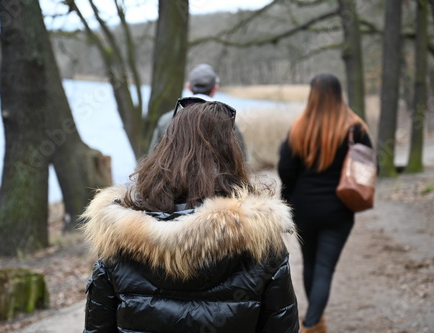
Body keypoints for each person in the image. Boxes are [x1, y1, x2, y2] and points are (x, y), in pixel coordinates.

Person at [81, 98, 299, 332]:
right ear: (231, 154)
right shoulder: (261, 240)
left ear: (166, 149)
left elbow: (97, 328)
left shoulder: (117, 236)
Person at [277, 73, 374, 333]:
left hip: (303, 209)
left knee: (310, 264)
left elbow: (286, 169)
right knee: (324, 268)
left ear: (312, 95)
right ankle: (313, 323)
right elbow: (368, 165)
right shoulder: (356, 128)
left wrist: (287, 198)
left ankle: (315, 321)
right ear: (338, 94)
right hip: (339, 209)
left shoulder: (299, 127)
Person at [149, 63, 247, 159]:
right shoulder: (227, 120)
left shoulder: (166, 120)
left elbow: (152, 159)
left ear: (188, 87)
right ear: (215, 88)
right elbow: (241, 163)